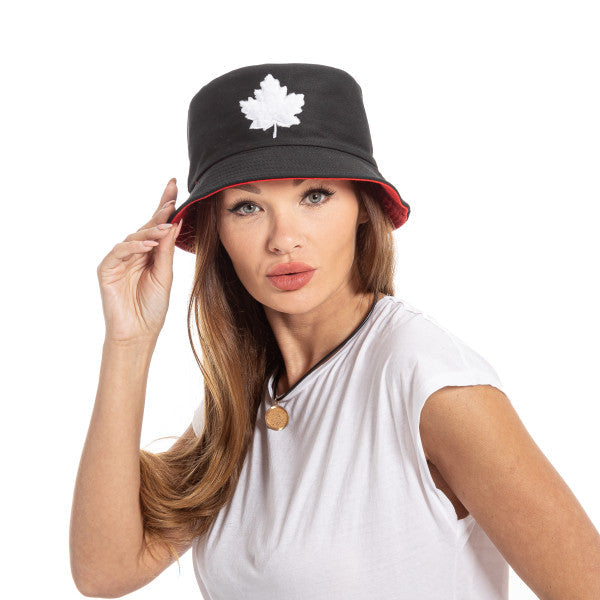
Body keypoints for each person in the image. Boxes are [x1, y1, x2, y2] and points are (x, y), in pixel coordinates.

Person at [70, 64, 600, 599]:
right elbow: (106, 571)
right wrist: (128, 342)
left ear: (362, 208)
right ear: (217, 231)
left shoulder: (430, 384)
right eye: (248, 207)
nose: (284, 239)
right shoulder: (240, 400)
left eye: (315, 196)